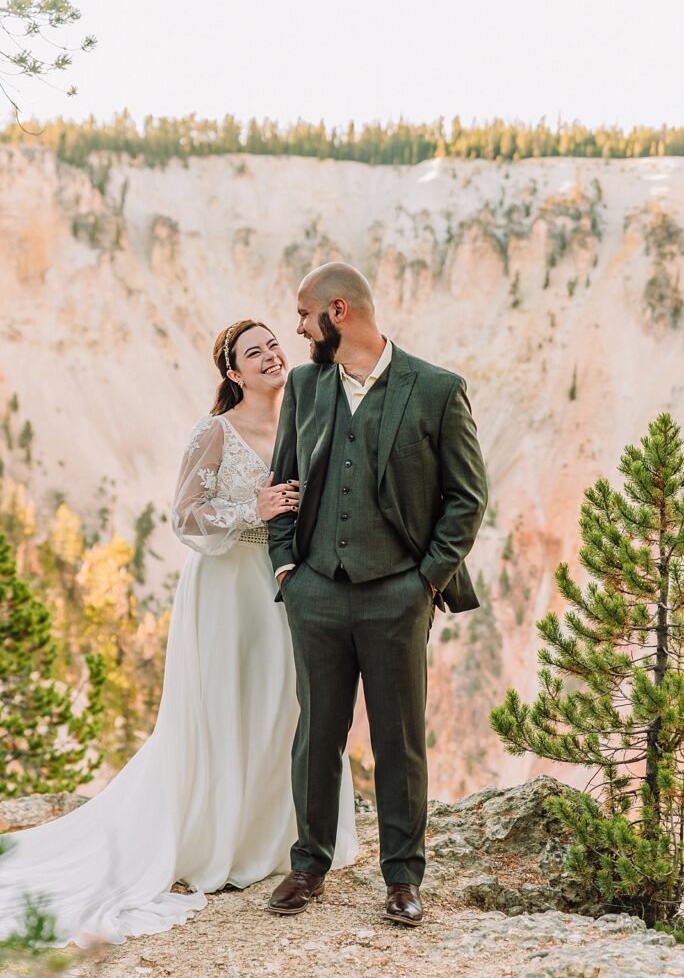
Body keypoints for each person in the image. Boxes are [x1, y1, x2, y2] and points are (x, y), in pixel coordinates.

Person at [0, 319, 358, 948]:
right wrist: (257, 508)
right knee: (224, 707)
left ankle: (283, 839)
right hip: (227, 586)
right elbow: (184, 515)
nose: (272, 356)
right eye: (255, 352)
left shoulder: (306, 417)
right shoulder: (215, 431)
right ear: (232, 373)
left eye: (274, 345)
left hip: (290, 584)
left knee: (289, 705)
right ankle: (219, 841)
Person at [267, 264, 487, 926]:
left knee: (400, 740)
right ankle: (309, 865)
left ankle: (401, 879)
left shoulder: (436, 389)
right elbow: (283, 486)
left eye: (304, 315)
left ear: (339, 312)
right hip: (317, 594)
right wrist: (287, 571)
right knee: (317, 735)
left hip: (398, 596)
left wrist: (424, 583)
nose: (297, 329)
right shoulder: (305, 386)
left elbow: (466, 499)